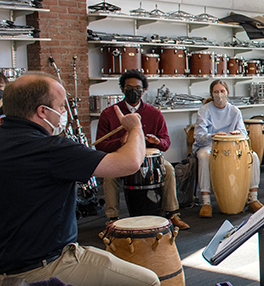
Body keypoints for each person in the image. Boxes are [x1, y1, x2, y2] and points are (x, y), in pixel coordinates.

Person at [0, 73, 160, 285]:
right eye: (61, 107)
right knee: (149, 281)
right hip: (46, 264)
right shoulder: (51, 150)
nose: (63, 113)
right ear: (42, 111)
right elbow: (129, 163)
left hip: (8, 259)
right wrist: (135, 127)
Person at [96, 69, 189, 230]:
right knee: (109, 176)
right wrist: (120, 141)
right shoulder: (109, 113)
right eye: (128, 87)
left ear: (144, 90)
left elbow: (166, 142)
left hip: (149, 158)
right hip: (121, 157)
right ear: (122, 89)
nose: (133, 91)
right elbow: (100, 145)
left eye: (138, 88)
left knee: (168, 169)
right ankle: (112, 218)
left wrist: (157, 141)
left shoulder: (154, 113)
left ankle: (172, 213)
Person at [193, 79, 263, 218]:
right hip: (209, 145)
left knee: (253, 156)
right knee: (203, 157)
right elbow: (199, 135)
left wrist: (238, 134)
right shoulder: (204, 110)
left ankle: (253, 198)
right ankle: (206, 202)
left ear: (227, 93)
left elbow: (244, 133)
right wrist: (213, 135)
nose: (219, 94)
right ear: (212, 94)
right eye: (216, 92)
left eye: (222, 91)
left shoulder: (234, 110)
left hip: (232, 146)